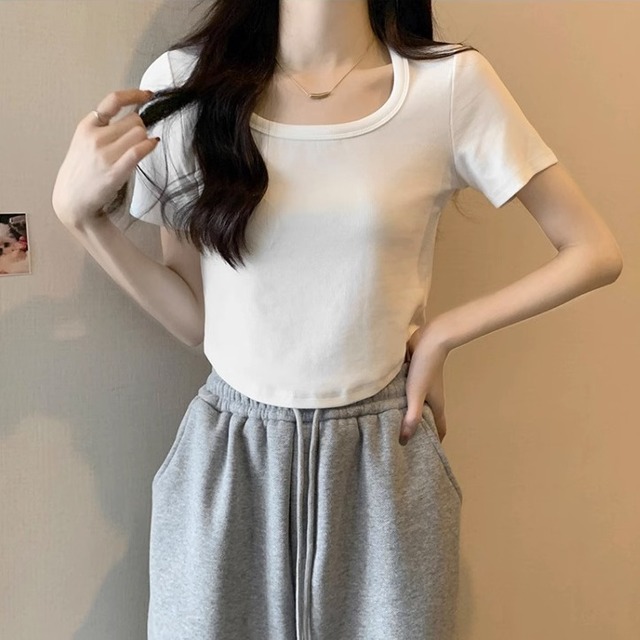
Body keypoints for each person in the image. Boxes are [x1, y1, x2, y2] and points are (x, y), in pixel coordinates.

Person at [51, 1, 623, 638]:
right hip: (229, 464)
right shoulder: (187, 84)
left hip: (383, 463)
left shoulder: (447, 87)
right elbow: (198, 322)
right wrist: (83, 220)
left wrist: (442, 333)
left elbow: (593, 251)